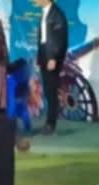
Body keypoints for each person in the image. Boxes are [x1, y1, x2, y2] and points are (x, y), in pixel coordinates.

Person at [34, 0, 68, 135]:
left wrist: (54, 57)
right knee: (47, 91)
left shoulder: (57, 14)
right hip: (44, 54)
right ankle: (48, 121)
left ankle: (51, 123)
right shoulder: (44, 13)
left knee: (52, 90)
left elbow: (60, 39)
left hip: (52, 56)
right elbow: (43, 38)